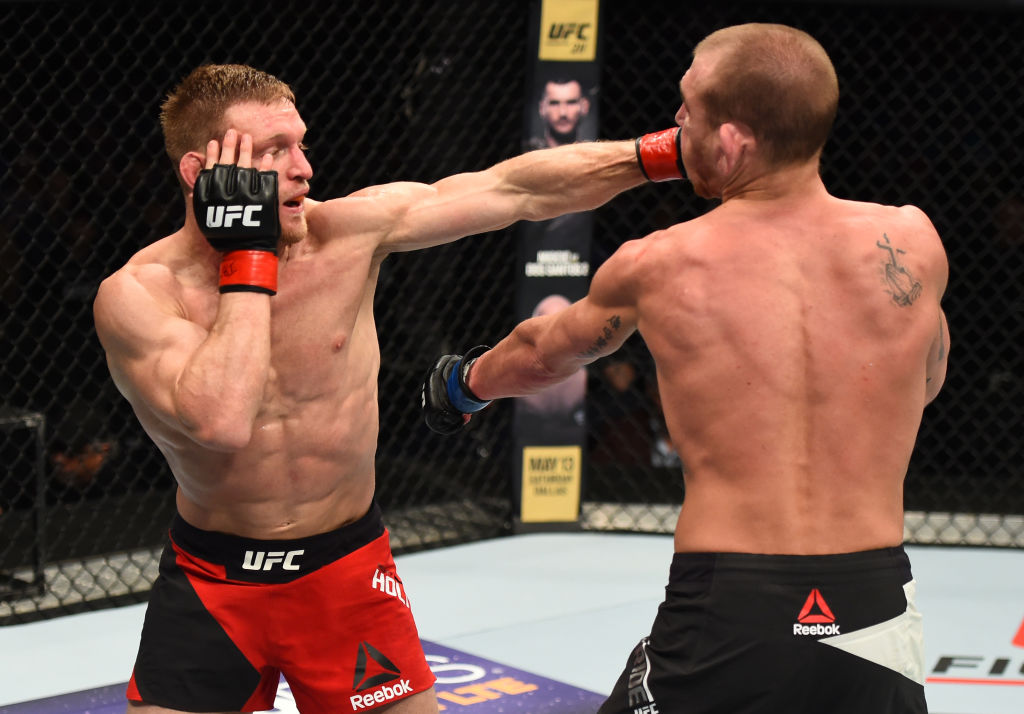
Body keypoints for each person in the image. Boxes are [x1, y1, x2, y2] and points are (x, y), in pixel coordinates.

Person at [92, 63, 662, 714]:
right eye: (276, 152)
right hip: (211, 584)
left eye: (302, 144)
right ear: (202, 173)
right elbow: (221, 421)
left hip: (346, 568)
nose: (305, 168)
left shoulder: (349, 235)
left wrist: (662, 154)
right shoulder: (138, 295)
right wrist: (248, 255)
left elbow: (515, 190)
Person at [423, 23, 948, 714]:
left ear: (731, 142)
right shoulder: (910, 240)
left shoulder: (661, 262)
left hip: (732, 606)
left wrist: (463, 385)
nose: (674, 127)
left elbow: (543, 353)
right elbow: (928, 377)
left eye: (686, 112)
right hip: (876, 604)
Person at [527, 77, 591, 150]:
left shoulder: (594, 155)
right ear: (542, 108)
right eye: (554, 103)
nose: (562, 113)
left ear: (585, 107)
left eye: (571, 103)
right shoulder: (524, 155)